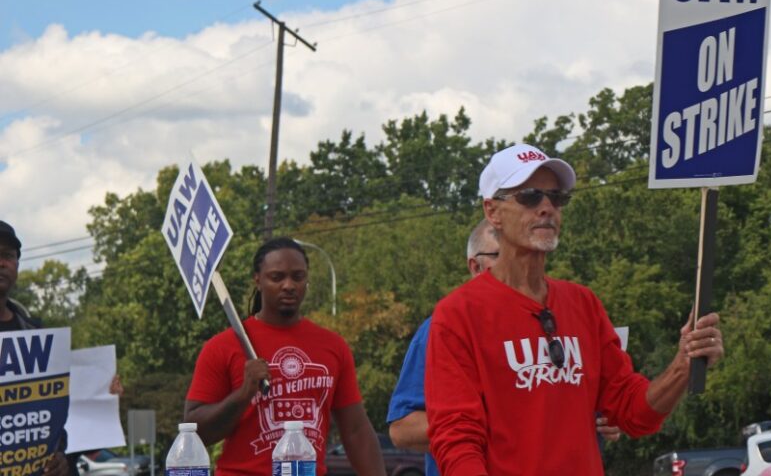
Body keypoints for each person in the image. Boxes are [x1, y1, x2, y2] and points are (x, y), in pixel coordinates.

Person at [425, 145, 725, 476]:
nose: (546, 208)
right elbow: (457, 439)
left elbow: (632, 412)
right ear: (493, 211)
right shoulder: (457, 314)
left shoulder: (583, 303)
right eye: (529, 196)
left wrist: (683, 365)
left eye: (556, 198)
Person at [388, 220, 621, 476]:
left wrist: (604, 418)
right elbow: (401, 429)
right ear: (474, 266)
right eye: (500, 255)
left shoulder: (560, 318)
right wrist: (498, 423)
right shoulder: (443, 328)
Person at [184, 237, 386, 476]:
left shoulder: (333, 346)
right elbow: (195, 432)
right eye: (277, 277)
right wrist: (244, 394)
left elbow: (356, 430)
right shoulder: (223, 346)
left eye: (298, 277)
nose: (289, 285)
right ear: (258, 280)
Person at [0, 220, 70, 476]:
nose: (1, 263)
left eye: (7, 256)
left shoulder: (36, 335)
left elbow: (55, 420)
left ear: (17, 265)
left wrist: (61, 459)